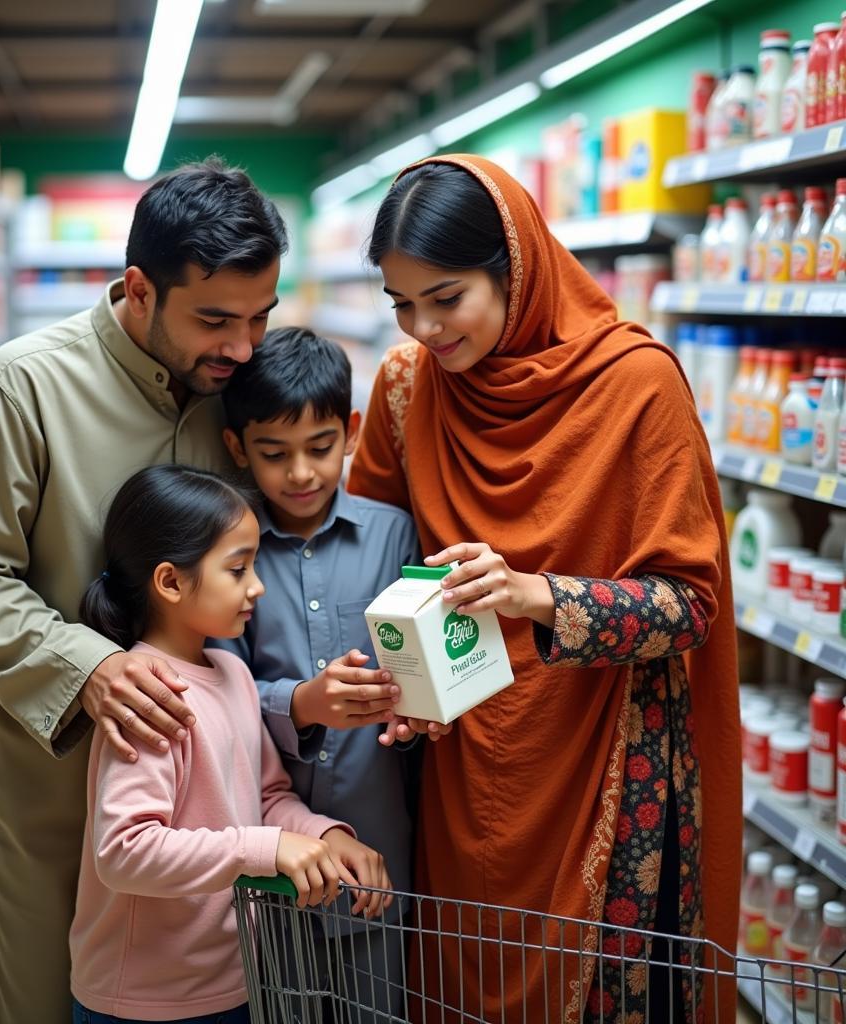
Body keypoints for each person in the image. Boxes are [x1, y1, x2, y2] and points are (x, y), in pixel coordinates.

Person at [346, 154, 741, 1022]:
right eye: (401, 305)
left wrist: (538, 597)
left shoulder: (636, 385)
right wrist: (385, 675)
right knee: (458, 968)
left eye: (446, 299)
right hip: (457, 748)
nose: (423, 330)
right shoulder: (408, 389)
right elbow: (366, 554)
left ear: (515, 267)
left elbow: (691, 606)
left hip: (604, 751)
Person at [0, 159, 288, 1023]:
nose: (241, 346)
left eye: (260, 318)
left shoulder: (233, 392)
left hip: (203, 825)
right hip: (55, 804)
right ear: (139, 289)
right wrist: (87, 666)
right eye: (215, 320)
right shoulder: (19, 387)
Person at [70, 463, 391, 1024]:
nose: (257, 586)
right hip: (145, 1001)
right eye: (238, 569)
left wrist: (323, 835)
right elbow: (124, 851)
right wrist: (264, 850)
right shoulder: (149, 693)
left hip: (234, 979)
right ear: (170, 582)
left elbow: (268, 797)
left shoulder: (232, 673)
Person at [215, 327, 421, 1019]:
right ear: (237, 448)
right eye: (274, 454)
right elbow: (221, 687)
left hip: (376, 839)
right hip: (269, 849)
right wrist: (301, 703)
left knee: (377, 1001)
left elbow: (427, 672)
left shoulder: (394, 533)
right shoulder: (227, 550)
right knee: (279, 1000)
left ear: (352, 432)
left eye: (320, 447)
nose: (300, 473)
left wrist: (420, 709)